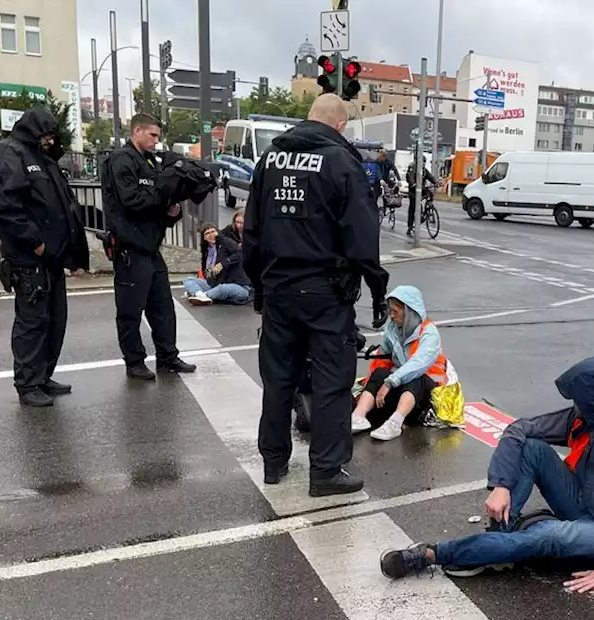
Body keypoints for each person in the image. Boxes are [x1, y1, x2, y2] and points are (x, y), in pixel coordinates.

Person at [381, 357, 594, 588]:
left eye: (579, 401)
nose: (575, 407)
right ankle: (501, 541)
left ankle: (433, 554)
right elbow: (520, 429)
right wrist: (501, 485)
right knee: (532, 447)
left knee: (546, 536)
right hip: (580, 502)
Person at [242, 93, 388, 498]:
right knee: (330, 384)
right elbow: (362, 237)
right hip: (326, 293)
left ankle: (274, 463)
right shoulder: (342, 162)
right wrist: (377, 288)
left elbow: (251, 231)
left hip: (279, 290)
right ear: (339, 125)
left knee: (278, 380)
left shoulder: (269, 159)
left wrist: (259, 285)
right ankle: (325, 471)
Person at [0, 106, 90, 408]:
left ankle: (42, 375)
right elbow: (5, 207)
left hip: (51, 257)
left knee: (55, 320)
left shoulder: (42, 159)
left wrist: (70, 255)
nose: (49, 140)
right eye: (46, 134)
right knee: (33, 322)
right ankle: (28, 383)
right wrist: (36, 243)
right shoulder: (8, 153)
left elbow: (62, 207)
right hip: (29, 257)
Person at [101, 113, 197, 382]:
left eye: (158, 136)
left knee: (163, 307)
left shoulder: (149, 162)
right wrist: (163, 198)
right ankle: (134, 361)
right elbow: (131, 201)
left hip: (151, 247)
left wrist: (172, 209)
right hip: (130, 248)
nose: (157, 140)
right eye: (152, 135)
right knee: (131, 311)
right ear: (137, 131)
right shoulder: (121, 160)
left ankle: (167, 356)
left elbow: (158, 207)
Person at [351, 285, 449, 442]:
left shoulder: (429, 333)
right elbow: (382, 361)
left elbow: (418, 364)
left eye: (395, 312)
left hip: (430, 393)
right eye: (390, 311)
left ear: (409, 312)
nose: (391, 316)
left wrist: (389, 383)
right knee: (380, 373)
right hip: (401, 386)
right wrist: (372, 385)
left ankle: (395, 423)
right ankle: (358, 416)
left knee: (415, 377)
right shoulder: (393, 329)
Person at [183, 222, 252, 306]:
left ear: (217, 232)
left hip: (238, 286)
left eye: (213, 231)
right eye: (207, 233)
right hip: (215, 283)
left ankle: (201, 295)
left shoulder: (225, 242)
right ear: (204, 237)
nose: (211, 235)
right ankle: (200, 295)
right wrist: (208, 272)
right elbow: (206, 274)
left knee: (222, 288)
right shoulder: (207, 250)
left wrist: (222, 264)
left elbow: (239, 254)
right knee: (188, 280)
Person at [406, 159, 437, 236]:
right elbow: (410, 177)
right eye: (422, 162)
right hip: (413, 190)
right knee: (413, 208)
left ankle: (428, 207)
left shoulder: (424, 170)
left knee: (430, 193)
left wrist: (436, 183)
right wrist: (413, 183)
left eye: (424, 162)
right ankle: (410, 226)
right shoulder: (413, 168)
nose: (423, 164)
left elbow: (430, 177)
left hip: (421, 188)